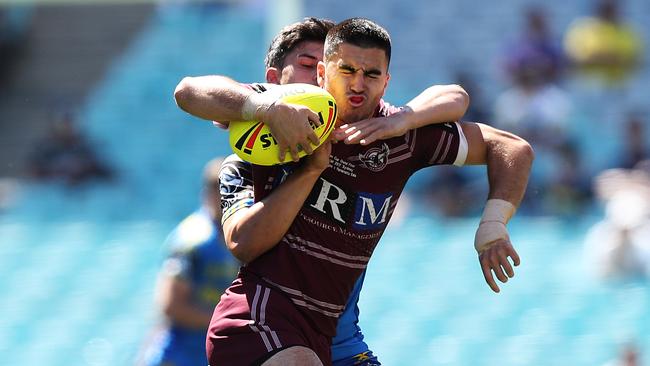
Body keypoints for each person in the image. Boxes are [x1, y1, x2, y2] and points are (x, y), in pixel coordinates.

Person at [178, 18, 533, 365]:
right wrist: (270, 112)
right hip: (261, 322)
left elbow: (501, 138)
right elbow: (189, 91)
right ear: (322, 75)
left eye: (371, 74)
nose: (356, 83)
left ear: (385, 82)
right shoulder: (264, 133)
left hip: (335, 338)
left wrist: (493, 222)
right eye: (342, 70)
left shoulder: (394, 133)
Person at [139, 157, 239, 366]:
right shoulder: (191, 240)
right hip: (179, 355)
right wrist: (228, 321)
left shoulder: (241, 235)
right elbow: (171, 306)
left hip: (212, 353)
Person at [563, 0, 642, 87]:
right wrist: (603, 58)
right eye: (605, 9)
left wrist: (613, 59)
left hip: (618, 86)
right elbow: (571, 61)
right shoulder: (583, 30)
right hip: (588, 87)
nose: (608, 13)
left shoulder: (627, 32)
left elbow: (637, 63)